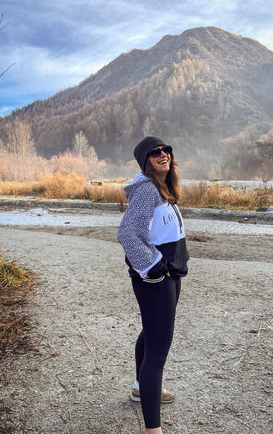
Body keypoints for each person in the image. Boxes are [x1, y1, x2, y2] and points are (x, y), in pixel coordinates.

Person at [118, 136, 189, 434]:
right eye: (155, 152)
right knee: (158, 352)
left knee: (151, 334)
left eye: (166, 150)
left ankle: (140, 388)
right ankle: (153, 429)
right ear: (145, 161)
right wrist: (155, 267)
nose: (163, 154)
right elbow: (127, 234)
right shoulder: (148, 190)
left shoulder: (163, 189)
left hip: (169, 275)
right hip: (157, 279)